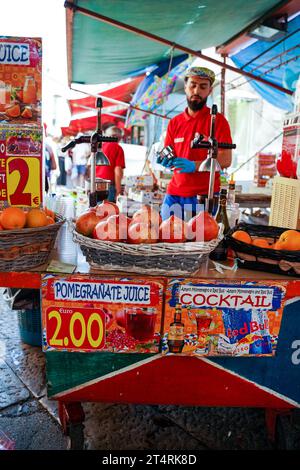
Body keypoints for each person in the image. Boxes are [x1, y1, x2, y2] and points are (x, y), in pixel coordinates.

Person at [157, 66, 232, 221]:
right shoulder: (174, 123)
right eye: (193, 85)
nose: (196, 91)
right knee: (167, 238)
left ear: (210, 91)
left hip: (204, 195)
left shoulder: (218, 121)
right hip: (175, 193)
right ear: (185, 87)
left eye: (203, 86)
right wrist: (165, 160)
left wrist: (195, 165)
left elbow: (226, 160)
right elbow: (169, 153)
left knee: (197, 242)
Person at [93, 125, 126, 202]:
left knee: (96, 211)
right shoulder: (118, 148)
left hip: (95, 184)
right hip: (108, 187)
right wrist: (118, 191)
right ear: (118, 137)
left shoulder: (99, 147)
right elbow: (118, 170)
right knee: (108, 212)